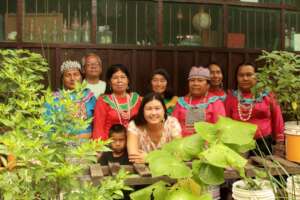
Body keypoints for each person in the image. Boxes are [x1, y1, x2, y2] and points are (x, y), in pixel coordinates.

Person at [225, 63, 285, 156]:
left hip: (263, 143)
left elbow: (278, 119)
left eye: (249, 75)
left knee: (262, 169)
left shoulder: (268, 96)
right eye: (241, 75)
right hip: (238, 144)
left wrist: (280, 143)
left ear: (256, 76)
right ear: (236, 78)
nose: (245, 78)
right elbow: (226, 122)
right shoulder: (231, 98)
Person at [45, 60, 96, 139]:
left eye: (76, 74)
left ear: (82, 77)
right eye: (68, 75)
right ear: (62, 79)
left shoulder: (89, 97)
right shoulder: (53, 99)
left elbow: (98, 123)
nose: (72, 78)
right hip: (62, 145)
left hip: (87, 146)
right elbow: (46, 126)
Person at [127, 93, 182, 164]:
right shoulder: (134, 125)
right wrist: (166, 158)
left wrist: (149, 158)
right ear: (142, 111)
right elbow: (133, 157)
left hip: (169, 170)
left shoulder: (172, 123)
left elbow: (179, 154)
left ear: (164, 110)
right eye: (149, 109)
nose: (153, 113)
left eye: (157, 108)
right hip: (141, 171)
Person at [92, 64, 142, 140]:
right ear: (109, 82)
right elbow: (98, 128)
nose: (119, 81)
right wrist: (100, 149)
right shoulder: (103, 100)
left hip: (134, 142)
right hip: (110, 145)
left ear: (128, 80)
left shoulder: (136, 99)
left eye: (123, 77)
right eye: (115, 78)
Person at [172, 66, 226, 137]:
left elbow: (220, 128)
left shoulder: (215, 102)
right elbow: (172, 125)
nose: (195, 83)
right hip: (182, 143)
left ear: (208, 85)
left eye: (200, 80)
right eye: (192, 80)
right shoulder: (181, 102)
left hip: (207, 144)